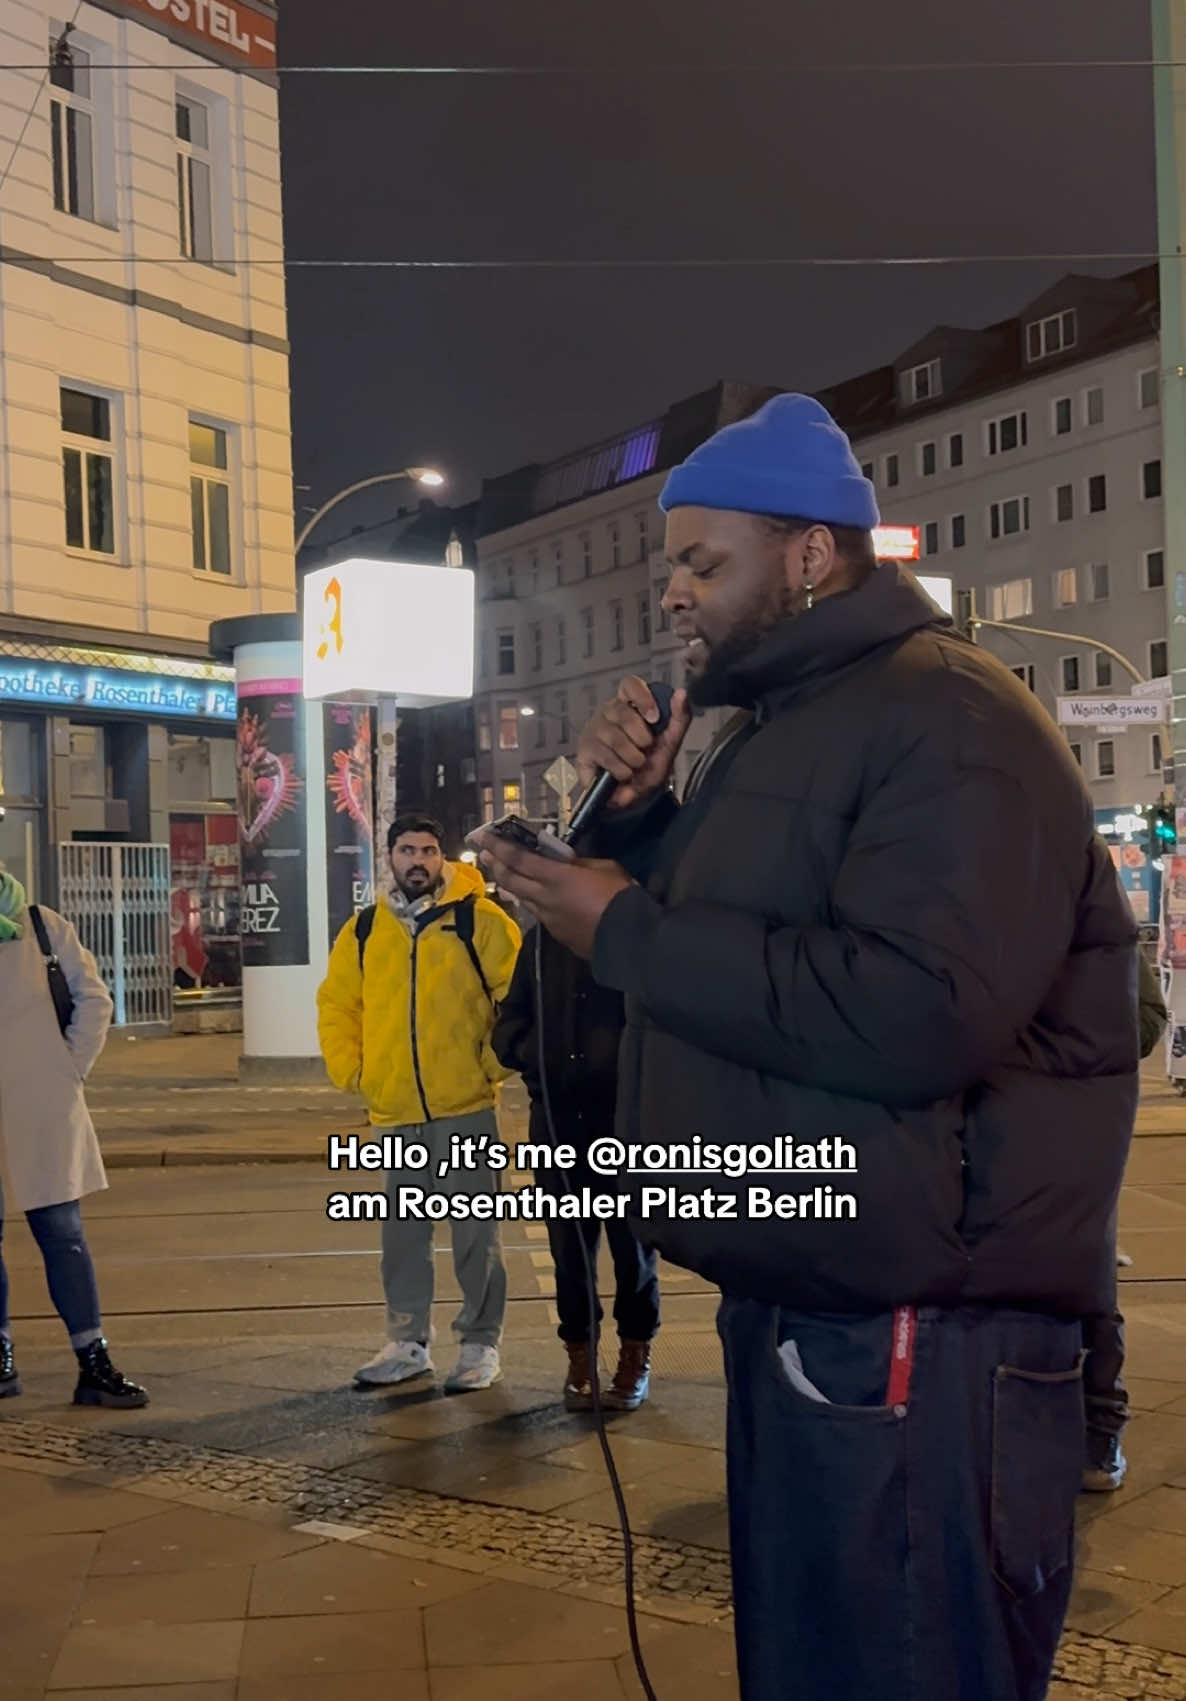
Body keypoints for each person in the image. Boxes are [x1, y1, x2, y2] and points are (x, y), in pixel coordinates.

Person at [473, 393, 1137, 1701]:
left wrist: (621, 922)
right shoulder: (785, 733)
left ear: (811, 555)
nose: (670, 594)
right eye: (670, 564)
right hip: (818, 1301)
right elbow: (744, 957)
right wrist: (629, 830)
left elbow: (912, 1012)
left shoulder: (949, 720)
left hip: (921, 1333)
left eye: (701, 563)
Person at [318, 814, 521, 1393]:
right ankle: (408, 1342)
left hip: (465, 1105)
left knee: (475, 1235)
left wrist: (488, 1066)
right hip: (396, 1108)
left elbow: (519, 1004)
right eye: (407, 850)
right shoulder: (363, 930)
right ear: (388, 856)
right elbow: (338, 1005)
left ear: (442, 857)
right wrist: (356, 1072)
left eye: (429, 850)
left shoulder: (480, 922)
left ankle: (480, 1344)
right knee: (403, 1232)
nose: (417, 861)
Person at [491, 919, 660, 1410]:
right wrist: (533, 1054)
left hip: (627, 1121)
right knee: (569, 1247)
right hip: (559, 1118)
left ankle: (635, 1355)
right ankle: (580, 1354)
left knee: (633, 1246)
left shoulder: (636, 935)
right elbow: (510, 1023)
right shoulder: (540, 942)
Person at [0, 872, 148, 1409]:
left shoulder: (42, 926)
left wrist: (68, 1069)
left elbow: (94, 999)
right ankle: (1, 1358)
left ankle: (92, 1361)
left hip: (42, 1104)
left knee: (63, 1235)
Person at [1082, 949, 1169, 1492]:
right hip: (991, 1131)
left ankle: (1098, 1430)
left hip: (1080, 1128)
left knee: (1088, 1285)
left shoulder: (1099, 921)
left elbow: (1144, 1022)